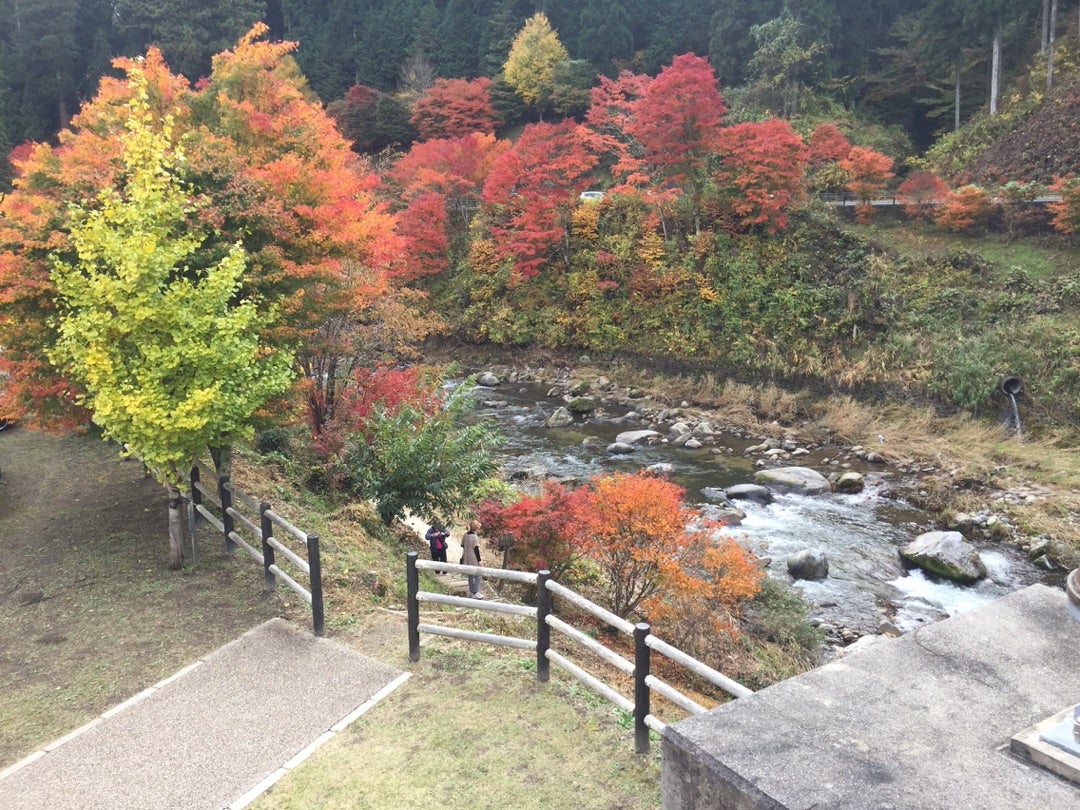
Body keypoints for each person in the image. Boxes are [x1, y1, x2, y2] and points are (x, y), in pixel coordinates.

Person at [461, 519, 483, 598]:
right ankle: (475, 592)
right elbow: (476, 550)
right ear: (477, 528)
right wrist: (479, 560)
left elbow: (462, 545)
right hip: (473, 558)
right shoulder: (475, 537)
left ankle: (471, 592)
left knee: (470, 575)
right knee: (478, 574)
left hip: (466, 557)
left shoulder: (465, 535)